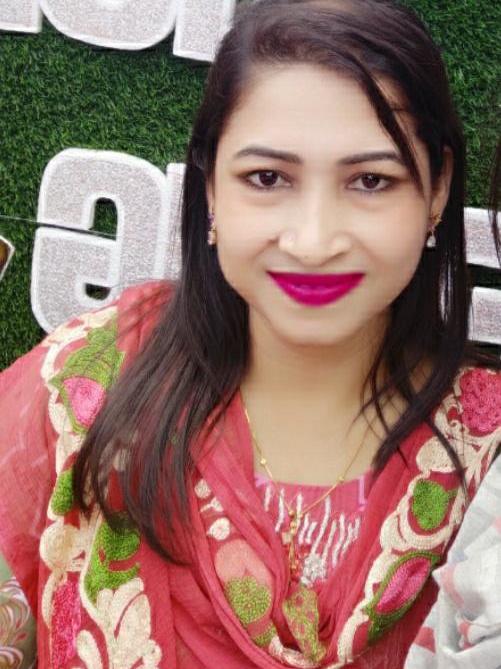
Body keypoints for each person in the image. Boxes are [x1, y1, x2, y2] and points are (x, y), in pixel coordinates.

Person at [0, 0, 499, 667]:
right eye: (267, 178)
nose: (313, 241)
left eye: (370, 181)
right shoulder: (84, 383)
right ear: (210, 186)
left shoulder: (487, 458)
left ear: (436, 190)